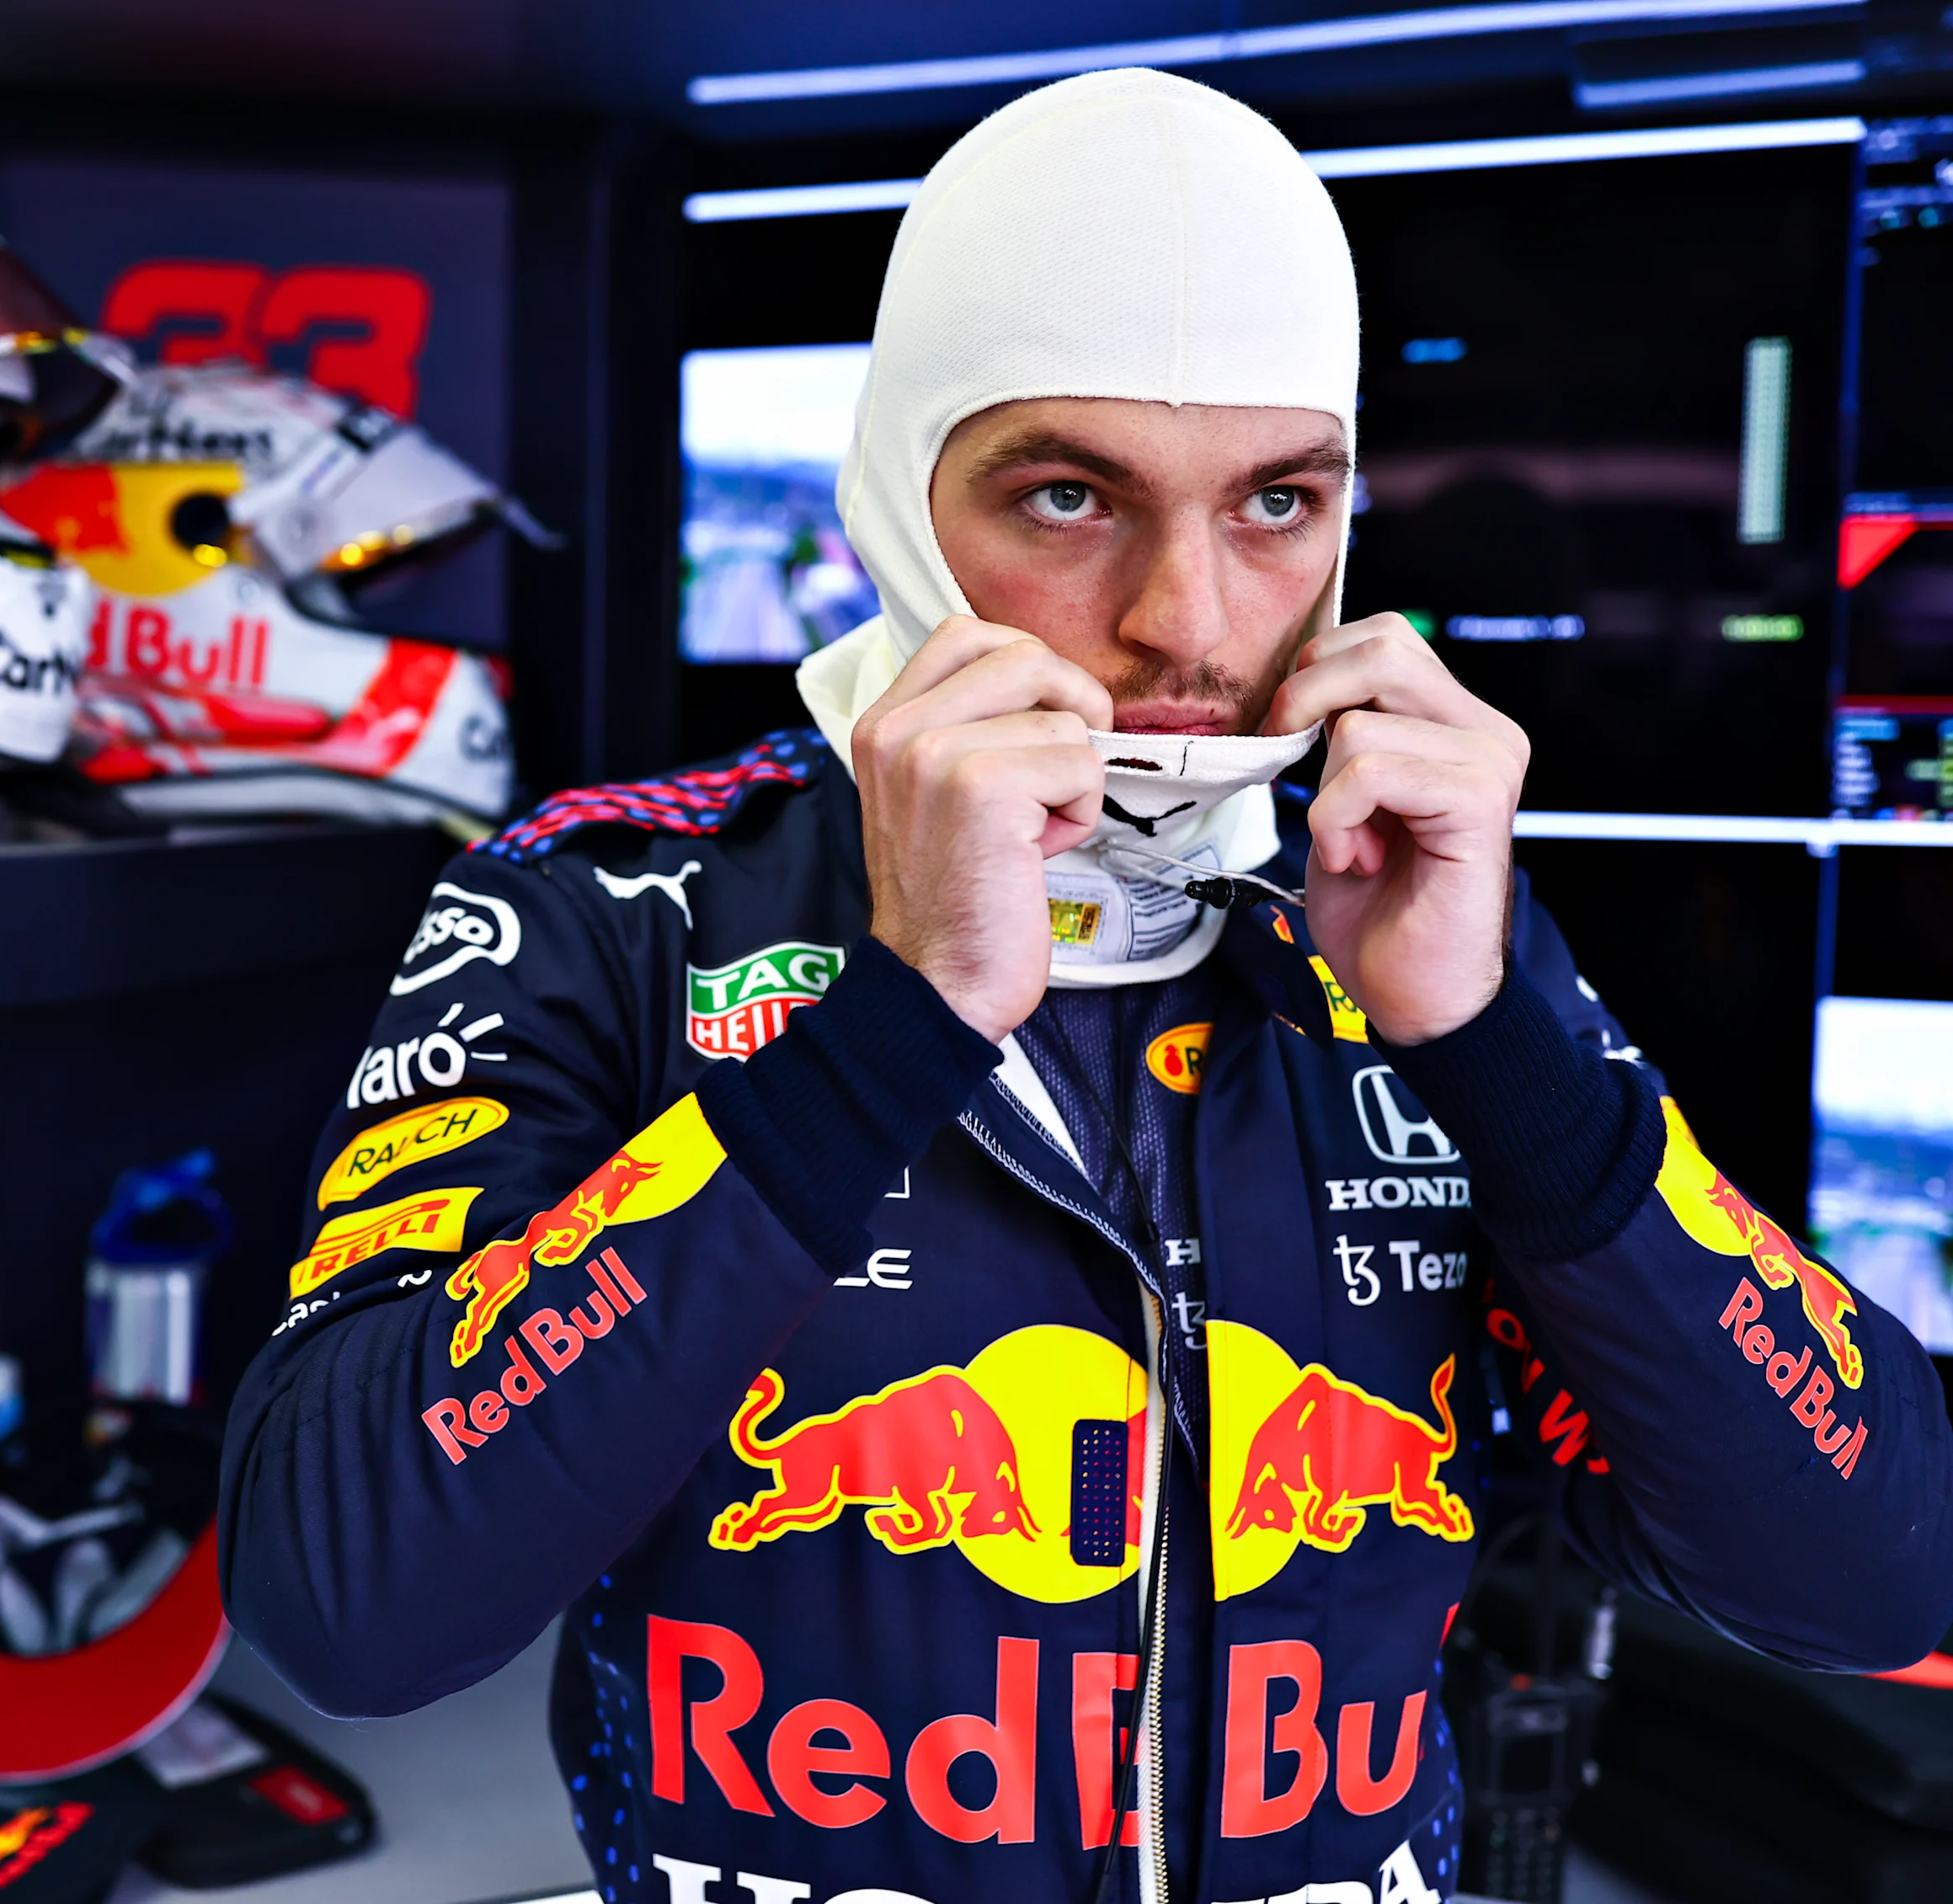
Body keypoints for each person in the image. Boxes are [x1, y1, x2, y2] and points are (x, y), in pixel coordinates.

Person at [216, 67, 1953, 1904]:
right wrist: (884, 1031)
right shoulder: (605, 908)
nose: (1186, 624)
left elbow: (1874, 1574)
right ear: (901, 491)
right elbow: (346, 1602)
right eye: (1067, 496)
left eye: (1276, 501)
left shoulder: (1421, 929)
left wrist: (1492, 1045)